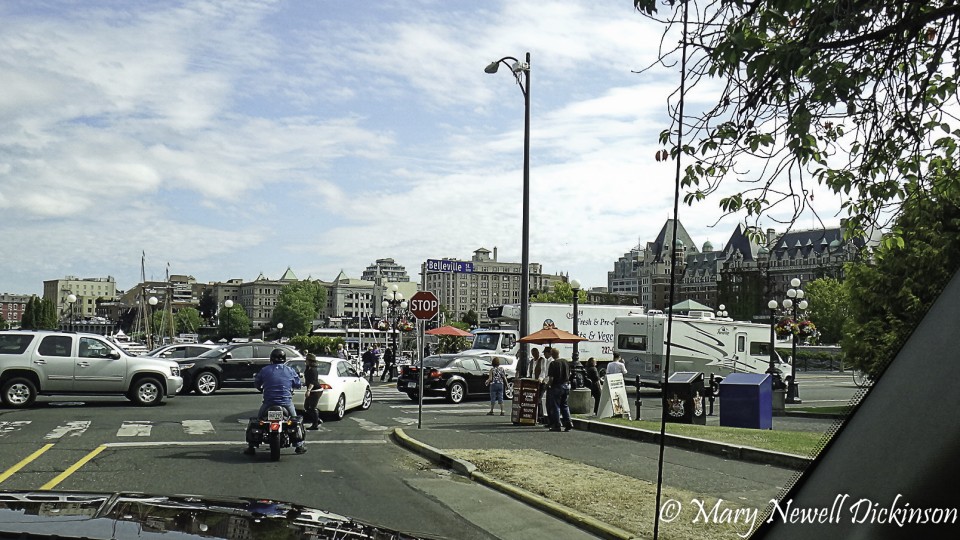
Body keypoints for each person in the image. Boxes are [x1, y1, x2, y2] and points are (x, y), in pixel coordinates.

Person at [246, 348, 306, 455]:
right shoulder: (290, 370)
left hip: (269, 402)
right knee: (296, 421)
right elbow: (297, 384)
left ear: (271, 359)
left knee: (258, 421)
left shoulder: (265, 370)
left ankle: (252, 446)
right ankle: (299, 446)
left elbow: (257, 383)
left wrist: (261, 389)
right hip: (286, 402)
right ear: (284, 359)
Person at [544, 350, 573, 432]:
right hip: (566, 385)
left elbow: (551, 378)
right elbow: (569, 373)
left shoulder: (553, 364)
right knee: (564, 405)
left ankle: (557, 424)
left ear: (552, 354)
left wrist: (548, 385)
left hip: (556, 386)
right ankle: (568, 422)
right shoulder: (566, 362)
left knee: (555, 406)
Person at [302, 353, 323, 430]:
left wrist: (308, 390)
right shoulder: (308, 369)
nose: (305, 361)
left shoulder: (314, 370)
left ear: (310, 361)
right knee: (306, 407)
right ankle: (316, 419)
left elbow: (313, 382)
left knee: (312, 407)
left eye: (307, 360)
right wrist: (305, 384)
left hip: (316, 390)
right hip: (312, 390)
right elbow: (308, 380)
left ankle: (315, 424)